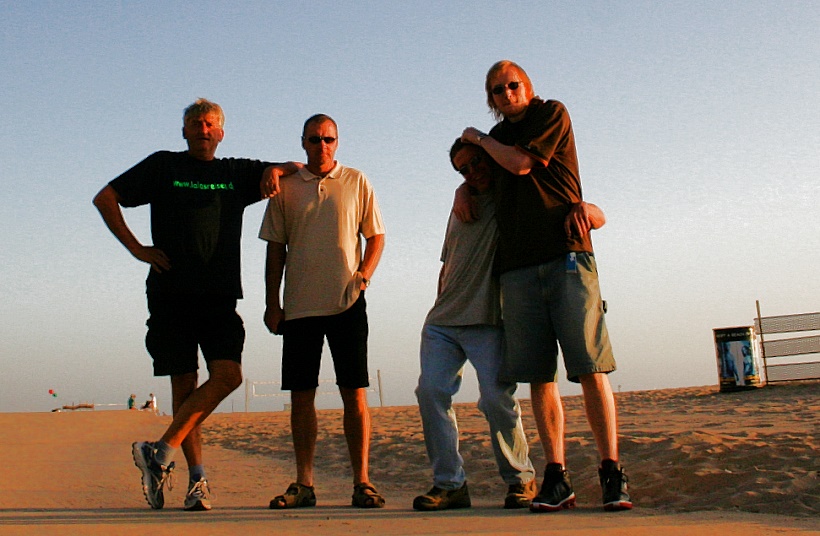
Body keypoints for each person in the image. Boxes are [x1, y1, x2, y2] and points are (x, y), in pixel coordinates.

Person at [93, 98, 298, 511]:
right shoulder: (162, 166)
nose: (203, 130)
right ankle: (196, 481)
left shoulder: (234, 172)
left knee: (228, 376)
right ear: (184, 131)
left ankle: (161, 451)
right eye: (195, 124)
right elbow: (105, 198)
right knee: (184, 389)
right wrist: (137, 249)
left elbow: (292, 167)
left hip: (219, 294)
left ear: (220, 132)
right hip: (170, 293)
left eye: (210, 124)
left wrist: (276, 170)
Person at [459, 60, 632, 512]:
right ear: (490, 99)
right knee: (538, 375)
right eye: (497, 91)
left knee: (590, 366)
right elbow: (472, 168)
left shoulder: (550, 114)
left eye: (512, 85)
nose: (506, 94)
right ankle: (557, 475)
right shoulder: (493, 144)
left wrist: (479, 137)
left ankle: (611, 471)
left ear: (528, 86)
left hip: (568, 256)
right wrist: (464, 188)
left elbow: (520, 165)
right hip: (516, 267)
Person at [260, 114, 386, 510]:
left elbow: (376, 236)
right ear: (303, 143)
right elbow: (274, 248)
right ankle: (304, 484)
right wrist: (271, 303)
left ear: (338, 141)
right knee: (302, 396)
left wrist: (363, 275)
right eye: (314, 139)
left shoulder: (357, 181)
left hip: (347, 302)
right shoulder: (286, 188)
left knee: (355, 393)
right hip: (298, 308)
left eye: (329, 139)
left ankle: (362, 482)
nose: (322, 145)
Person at [413, 139, 536, 511]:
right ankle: (450, 484)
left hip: (488, 320)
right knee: (431, 393)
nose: (472, 172)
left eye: (476, 163)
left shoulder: (510, 197)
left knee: (497, 399)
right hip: (443, 323)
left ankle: (521, 480)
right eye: (463, 170)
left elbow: (526, 171)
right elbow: (446, 264)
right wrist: (462, 189)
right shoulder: (460, 203)